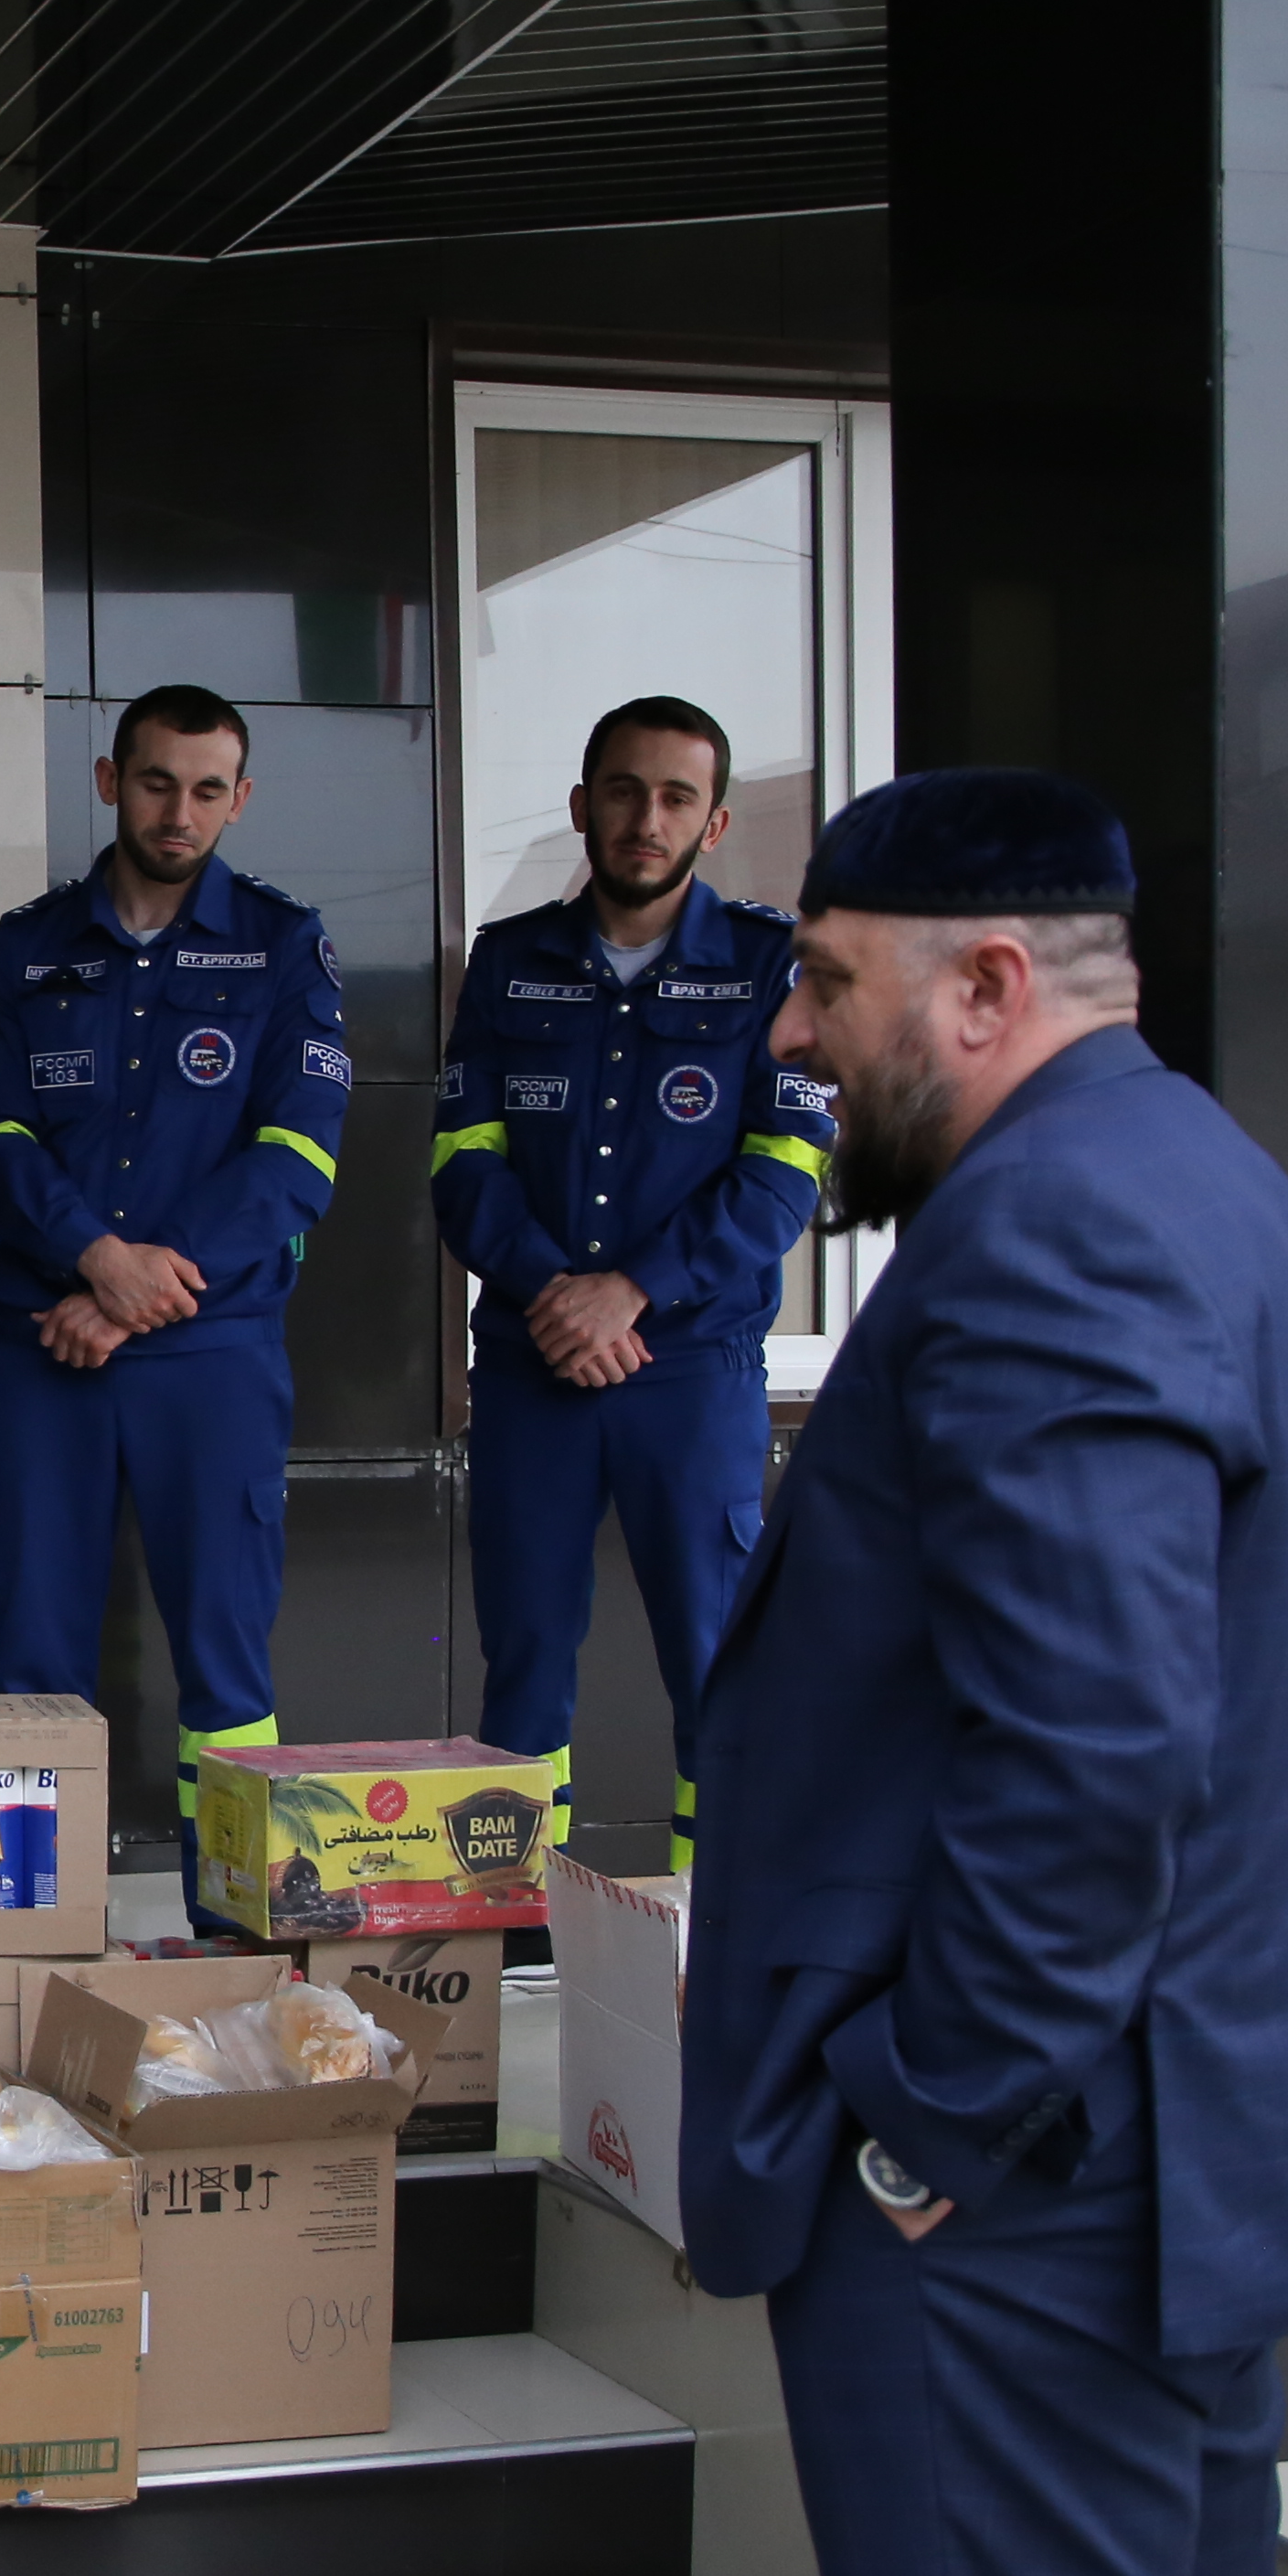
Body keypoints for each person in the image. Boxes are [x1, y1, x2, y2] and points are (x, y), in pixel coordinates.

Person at [692, 768, 1288, 2576]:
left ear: (987, 986)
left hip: (1020, 2215)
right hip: (1182, 2169)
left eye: (826, 978)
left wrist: (927, 2122)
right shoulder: (1242, 1205)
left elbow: (1097, 1751)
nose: (793, 1036)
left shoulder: (1047, 1243)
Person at [0, 684, 349, 1919]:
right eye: (155, 782)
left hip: (208, 1354)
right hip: (43, 1355)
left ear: (239, 797)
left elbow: (297, 1159)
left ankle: (237, 1935)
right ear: (108, 780)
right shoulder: (25, 946)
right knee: (34, 1671)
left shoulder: (285, 945)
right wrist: (90, 1256)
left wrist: (130, 1290)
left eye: (207, 788)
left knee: (225, 1667)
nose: (179, 811)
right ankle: (30, 1933)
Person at [431, 697, 829, 1872]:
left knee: (717, 1657)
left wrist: (635, 1291)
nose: (643, 818)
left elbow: (783, 1179)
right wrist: (560, 1293)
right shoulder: (508, 964)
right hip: (529, 1368)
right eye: (622, 791)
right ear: (581, 807)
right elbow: (463, 1166)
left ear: (713, 824)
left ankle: (720, 1930)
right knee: (525, 1658)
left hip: (691, 1371)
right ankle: (516, 1924)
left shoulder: (773, 967)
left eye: (673, 798)